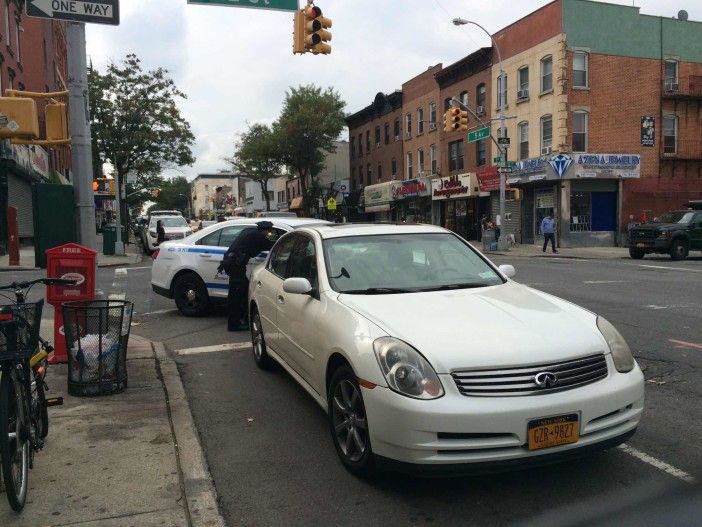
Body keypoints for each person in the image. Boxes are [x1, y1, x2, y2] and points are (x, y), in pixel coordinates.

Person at [218, 221, 274, 331]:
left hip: (230, 263)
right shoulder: (260, 237)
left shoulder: (249, 232)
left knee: (242, 292)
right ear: (266, 230)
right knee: (236, 296)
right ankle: (234, 325)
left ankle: (241, 319)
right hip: (236, 265)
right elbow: (273, 246)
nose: (269, 234)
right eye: (269, 232)